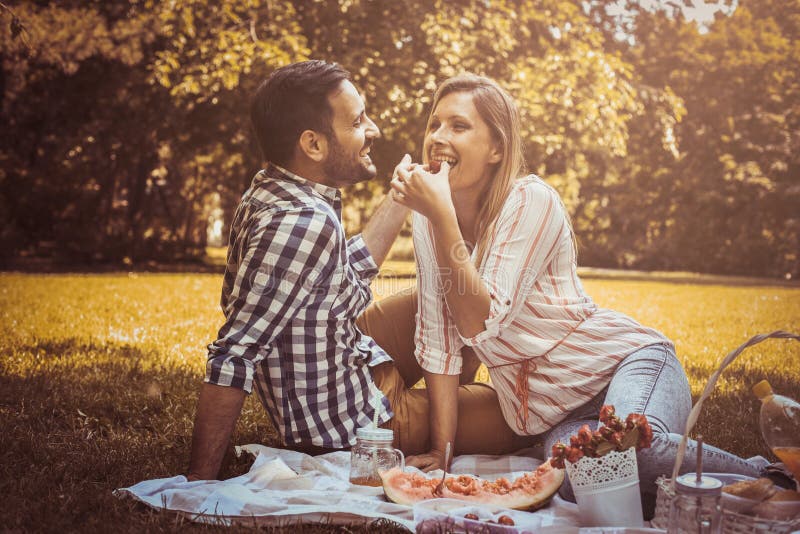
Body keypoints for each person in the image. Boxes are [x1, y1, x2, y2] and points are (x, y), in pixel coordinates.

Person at [389, 73, 767, 510]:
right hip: (556, 417)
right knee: (577, 481)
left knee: (627, 447)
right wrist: (443, 452)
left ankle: (770, 476)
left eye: (458, 126)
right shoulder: (428, 220)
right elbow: (439, 341)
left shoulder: (530, 201)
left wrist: (441, 218)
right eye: (434, 124)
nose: (437, 137)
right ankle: (708, 494)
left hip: (627, 365)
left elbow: (480, 319)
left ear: (497, 148)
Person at [187, 61, 529, 481]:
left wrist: (405, 193)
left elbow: (345, 275)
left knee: (451, 291)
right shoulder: (299, 223)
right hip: (357, 422)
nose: (374, 129)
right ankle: (456, 400)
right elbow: (234, 354)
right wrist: (198, 483)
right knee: (520, 409)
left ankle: (453, 383)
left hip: (353, 358)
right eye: (357, 121)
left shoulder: (276, 189)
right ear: (313, 144)